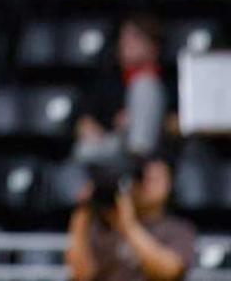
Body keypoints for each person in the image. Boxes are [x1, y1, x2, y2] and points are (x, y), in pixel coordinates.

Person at [66, 156, 195, 281]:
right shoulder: (103, 225)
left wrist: (129, 227)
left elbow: (168, 272)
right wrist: (81, 216)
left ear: (170, 183)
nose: (148, 184)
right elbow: (81, 274)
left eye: (156, 179)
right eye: (142, 177)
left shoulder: (178, 229)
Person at [75, 14, 168, 163]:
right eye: (123, 37)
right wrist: (94, 127)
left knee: (144, 85)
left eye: (135, 37)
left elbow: (182, 124)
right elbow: (85, 121)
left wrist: (139, 118)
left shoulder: (171, 81)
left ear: (153, 46)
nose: (126, 43)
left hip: (159, 153)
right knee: (84, 151)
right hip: (116, 148)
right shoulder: (107, 82)